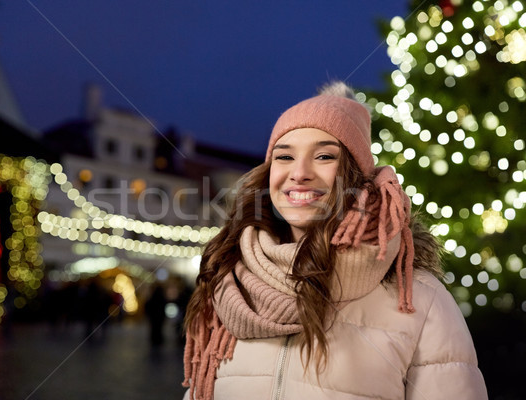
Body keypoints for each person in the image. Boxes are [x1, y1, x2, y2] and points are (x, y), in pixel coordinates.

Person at [182, 82, 487, 399]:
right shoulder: (229, 283)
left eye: (324, 156)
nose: (299, 173)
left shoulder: (420, 300)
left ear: (355, 175)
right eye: (284, 157)